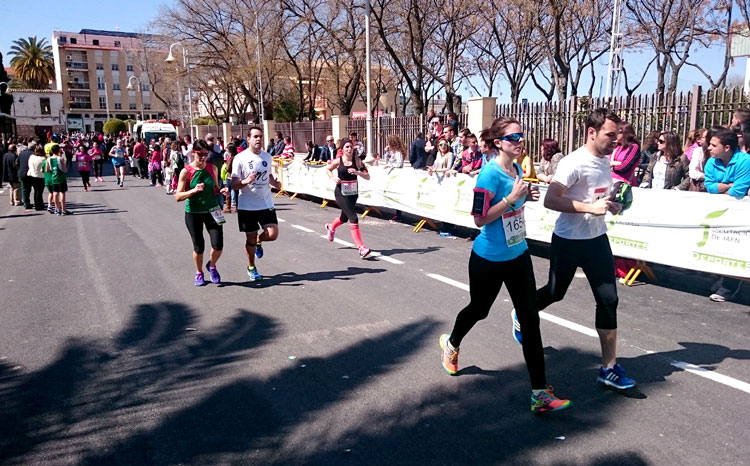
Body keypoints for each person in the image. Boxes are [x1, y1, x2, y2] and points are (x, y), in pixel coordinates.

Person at [439, 116, 571, 414]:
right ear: (498, 142)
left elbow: (515, 206)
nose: (520, 140)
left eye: (522, 136)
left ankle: (539, 393)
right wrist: (512, 199)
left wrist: (527, 197)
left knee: (531, 320)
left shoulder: (517, 169)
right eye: (514, 137)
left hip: (518, 254)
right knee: (479, 309)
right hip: (488, 258)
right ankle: (452, 343)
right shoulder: (488, 176)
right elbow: (479, 219)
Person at [514, 108, 636, 390]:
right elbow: (551, 200)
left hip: (596, 240)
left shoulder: (606, 160)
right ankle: (522, 312)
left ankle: (609, 367)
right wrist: (589, 207)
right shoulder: (573, 162)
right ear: (591, 133)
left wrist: (610, 204)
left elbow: (596, 194)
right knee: (555, 293)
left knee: (609, 300)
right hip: (568, 240)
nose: (615, 141)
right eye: (610, 135)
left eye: (617, 136)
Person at [704, 128, 750, 302]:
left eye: (714, 145)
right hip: (719, 212)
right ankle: (721, 279)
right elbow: (710, 187)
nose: (709, 147)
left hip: (740, 212)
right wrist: (729, 185)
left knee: (736, 248)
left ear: (727, 148)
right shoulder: (711, 162)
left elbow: (739, 190)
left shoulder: (745, 161)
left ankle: (729, 288)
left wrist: (725, 187)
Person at [174, 140, 229, 286]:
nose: (203, 157)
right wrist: (193, 190)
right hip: (193, 212)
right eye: (200, 154)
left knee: (218, 245)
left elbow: (215, 188)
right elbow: (178, 196)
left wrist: (221, 191)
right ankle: (199, 272)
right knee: (199, 246)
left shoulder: (212, 168)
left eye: (206, 154)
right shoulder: (186, 171)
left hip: (213, 210)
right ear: (194, 153)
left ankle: (212, 265)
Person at [230, 127, 281, 281]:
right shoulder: (240, 158)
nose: (258, 139)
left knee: (273, 234)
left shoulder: (267, 157)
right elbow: (233, 183)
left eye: (260, 137)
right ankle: (251, 267)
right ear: (248, 139)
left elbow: (269, 175)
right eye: (255, 137)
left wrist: (275, 183)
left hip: (265, 202)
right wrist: (246, 181)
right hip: (247, 205)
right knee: (250, 239)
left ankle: (260, 241)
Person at [324, 137, 372, 258]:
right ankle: (361, 247)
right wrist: (333, 178)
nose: (350, 149)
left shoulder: (357, 161)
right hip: (341, 193)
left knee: (344, 218)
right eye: (347, 147)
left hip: (353, 194)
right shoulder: (338, 161)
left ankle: (331, 227)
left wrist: (358, 173)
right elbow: (328, 169)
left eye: (351, 147)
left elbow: (368, 176)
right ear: (342, 149)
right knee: (353, 218)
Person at [45, 144, 70, 215]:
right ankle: (64, 210)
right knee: (62, 193)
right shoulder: (60, 159)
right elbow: (65, 170)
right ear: (59, 150)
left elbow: (47, 170)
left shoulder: (48, 159)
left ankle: (57, 209)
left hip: (54, 178)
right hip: (61, 178)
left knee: (55, 194)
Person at [27, 145, 46, 211]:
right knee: (39, 191)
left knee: (36, 190)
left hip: (32, 175)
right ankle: (38, 205)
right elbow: (44, 168)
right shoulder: (43, 159)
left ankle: (37, 203)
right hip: (40, 176)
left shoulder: (31, 157)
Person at [18, 141, 34, 209]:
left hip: (22, 173)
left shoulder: (21, 153)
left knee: (24, 189)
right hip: (30, 173)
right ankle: (30, 202)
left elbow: (17, 162)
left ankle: (26, 203)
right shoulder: (33, 154)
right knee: (31, 188)